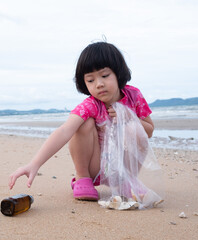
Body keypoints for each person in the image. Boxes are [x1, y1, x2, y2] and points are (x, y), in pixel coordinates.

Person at [9, 42, 154, 202]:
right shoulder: (91, 105)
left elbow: (149, 131)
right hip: (96, 166)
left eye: (105, 76)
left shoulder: (134, 96)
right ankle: (82, 177)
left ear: (118, 73)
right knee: (82, 123)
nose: (99, 84)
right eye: (90, 80)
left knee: (133, 127)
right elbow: (64, 131)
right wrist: (34, 164)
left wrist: (128, 117)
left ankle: (127, 181)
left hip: (122, 167)